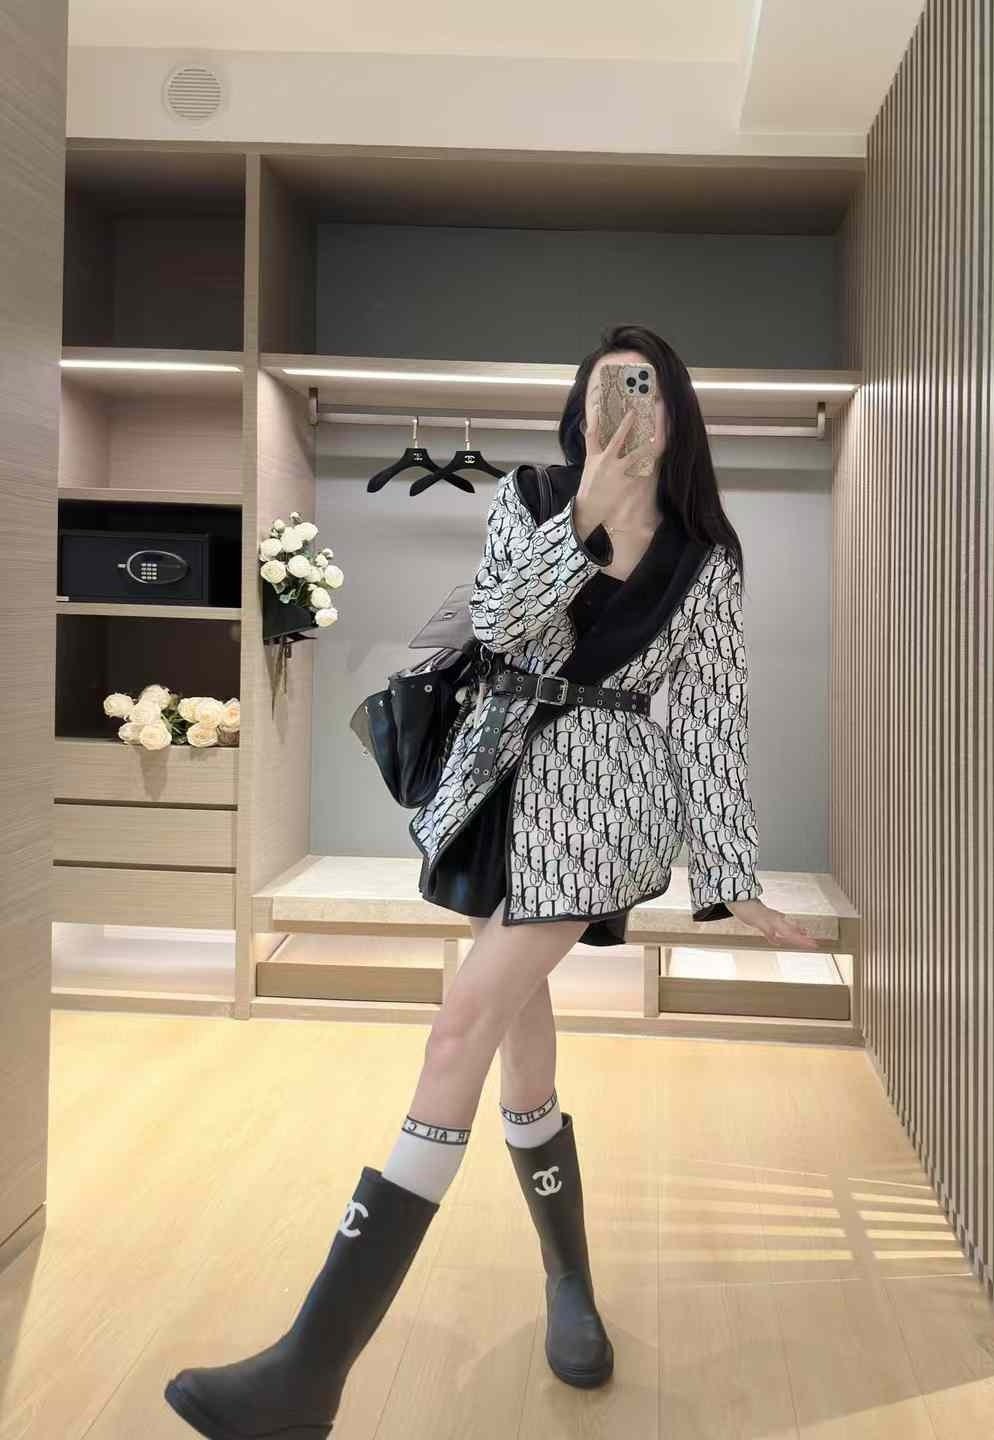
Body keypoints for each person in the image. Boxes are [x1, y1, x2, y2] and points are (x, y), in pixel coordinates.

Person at [163, 324, 819, 1438]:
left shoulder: (708, 556)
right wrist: (586, 516)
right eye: (607, 390)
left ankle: (309, 1371)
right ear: (578, 407)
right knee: (517, 1035)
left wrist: (732, 876)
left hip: (607, 802)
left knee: (459, 1026)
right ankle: (570, 1285)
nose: (627, 408)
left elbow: (712, 716)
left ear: (677, 413)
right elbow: (506, 623)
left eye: (647, 390)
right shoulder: (531, 497)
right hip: (498, 784)